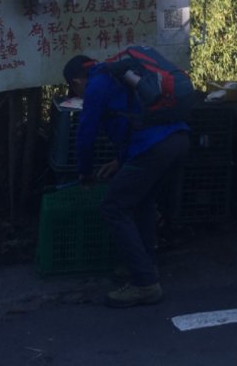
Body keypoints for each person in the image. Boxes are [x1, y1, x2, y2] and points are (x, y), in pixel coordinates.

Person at [63, 53, 190, 308]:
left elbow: (85, 133)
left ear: (78, 81)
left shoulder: (97, 85)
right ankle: (144, 264)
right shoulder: (119, 76)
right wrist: (120, 162)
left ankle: (145, 284)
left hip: (153, 148)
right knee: (141, 203)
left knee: (114, 207)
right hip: (176, 140)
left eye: (73, 88)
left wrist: (84, 172)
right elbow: (131, 122)